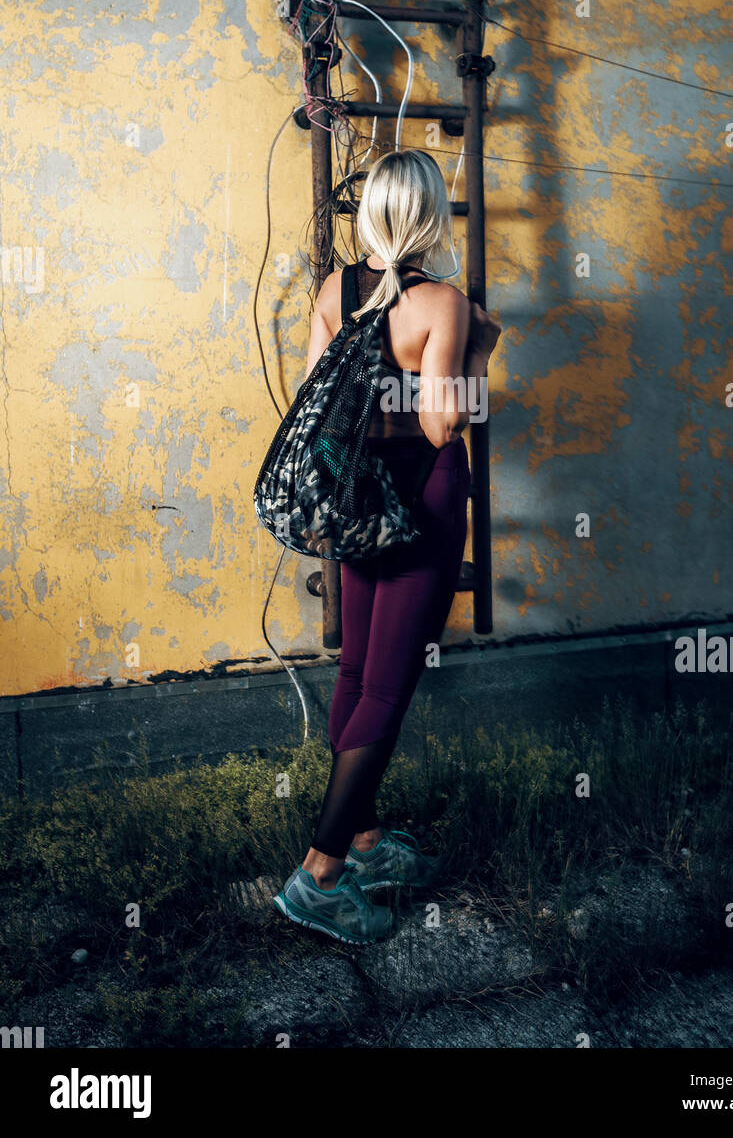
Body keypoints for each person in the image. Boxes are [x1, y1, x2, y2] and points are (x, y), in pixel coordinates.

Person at [273, 149, 501, 944]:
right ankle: (320, 874)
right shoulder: (442, 301)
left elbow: (316, 401)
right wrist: (475, 348)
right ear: (431, 214)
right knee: (388, 688)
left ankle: (364, 841)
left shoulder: (335, 291)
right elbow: (444, 423)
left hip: (358, 503)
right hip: (424, 503)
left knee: (358, 670)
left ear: (372, 210)